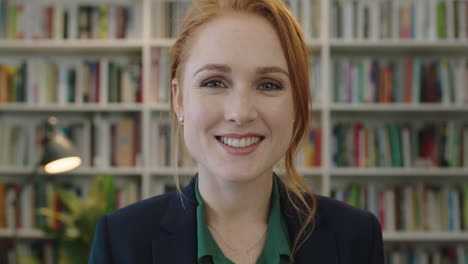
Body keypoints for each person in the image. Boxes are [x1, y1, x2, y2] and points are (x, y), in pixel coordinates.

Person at [88, 0, 384, 263]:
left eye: (269, 84)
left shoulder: (356, 238)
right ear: (179, 100)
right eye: (214, 82)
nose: (240, 113)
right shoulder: (121, 242)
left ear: (296, 103)